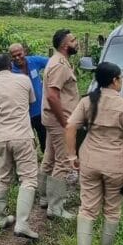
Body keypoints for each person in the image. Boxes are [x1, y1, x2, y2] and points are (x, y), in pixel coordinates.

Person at [64, 62, 123, 245]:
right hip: (116, 163)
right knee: (112, 209)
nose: (122, 81)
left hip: (90, 160)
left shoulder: (87, 101)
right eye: (121, 78)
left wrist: (72, 155)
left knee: (87, 208)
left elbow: (70, 126)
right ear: (115, 80)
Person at [0, 53, 41, 239]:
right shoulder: (23, 81)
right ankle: (22, 223)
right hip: (23, 136)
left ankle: (2, 218)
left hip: (1, 138)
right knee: (28, 178)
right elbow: (29, 106)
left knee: (2, 178)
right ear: (10, 64)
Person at [40, 29, 81, 220]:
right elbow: (52, 95)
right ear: (65, 45)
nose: (77, 42)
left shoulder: (58, 61)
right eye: (74, 40)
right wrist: (65, 122)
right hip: (59, 120)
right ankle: (55, 207)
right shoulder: (59, 65)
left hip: (52, 119)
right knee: (63, 162)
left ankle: (44, 197)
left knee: (49, 157)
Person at [8, 43, 49, 203]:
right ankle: (24, 175)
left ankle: (45, 173)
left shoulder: (34, 61)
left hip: (40, 112)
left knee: (45, 142)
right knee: (25, 144)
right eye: (14, 56)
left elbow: (52, 63)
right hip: (22, 115)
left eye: (20, 54)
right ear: (10, 57)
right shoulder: (10, 70)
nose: (18, 58)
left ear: (24, 52)